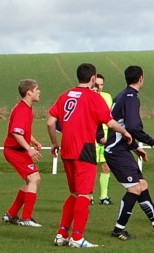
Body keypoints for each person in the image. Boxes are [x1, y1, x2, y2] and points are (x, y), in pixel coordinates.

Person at [47, 63, 132, 248]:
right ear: (93, 78)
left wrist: (54, 143)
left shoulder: (65, 95)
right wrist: (125, 132)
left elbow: (50, 122)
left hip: (67, 150)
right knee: (85, 195)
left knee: (74, 193)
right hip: (84, 149)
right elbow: (110, 123)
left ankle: (62, 234)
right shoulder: (94, 98)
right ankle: (77, 238)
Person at [104, 65, 154, 240]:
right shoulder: (131, 98)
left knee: (142, 185)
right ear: (141, 78)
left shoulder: (121, 95)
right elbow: (131, 126)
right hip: (116, 151)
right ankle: (118, 229)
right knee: (135, 188)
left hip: (122, 148)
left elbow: (123, 127)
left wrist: (135, 147)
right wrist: (151, 142)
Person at [2, 79, 43, 227]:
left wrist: (34, 141)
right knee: (34, 178)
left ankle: (11, 214)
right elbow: (16, 133)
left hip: (18, 150)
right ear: (29, 92)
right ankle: (26, 218)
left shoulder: (26, 108)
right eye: (37, 89)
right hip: (14, 151)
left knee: (33, 180)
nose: (39, 91)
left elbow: (23, 131)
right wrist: (28, 148)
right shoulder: (21, 109)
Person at [94, 73, 114, 205]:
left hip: (106, 137)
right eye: (96, 85)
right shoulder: (88, 97)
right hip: (92, 136)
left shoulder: (107, 97)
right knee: (90, 168)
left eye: (101, 85)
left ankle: (103, 197)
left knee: (106, 167)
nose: (99, 87)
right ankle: (88, 196)